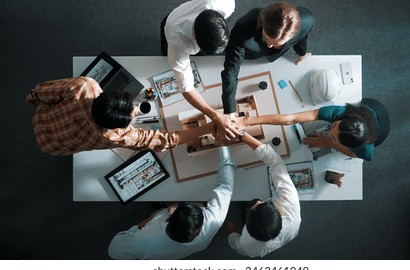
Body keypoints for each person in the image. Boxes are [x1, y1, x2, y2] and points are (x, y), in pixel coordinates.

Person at [108, 130, 236, 259]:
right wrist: (224, 145)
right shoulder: (213, 221)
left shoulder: (140, 241)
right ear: (197, 232)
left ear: (169, 218)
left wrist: (142, 225)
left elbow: (113, 251)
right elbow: (225, 186)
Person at [25, 77, 215, 156]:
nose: (135, 110)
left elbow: (40, 91)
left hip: (40, 117)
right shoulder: (111, 136)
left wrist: (31, 101)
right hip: (51, 146)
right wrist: (210, 126)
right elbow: (166, 140)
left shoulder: (84, 85)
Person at [161, 0, 238, 139]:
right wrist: (215, 115)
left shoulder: (224, 4)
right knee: (165, 54)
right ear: (196, 36)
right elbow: (186, 87)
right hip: (172, 23)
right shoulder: (177, 42)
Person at [221, 2, 315, 115]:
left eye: (276, 43)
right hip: (249, 54)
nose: (269, 46)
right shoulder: (244, 25)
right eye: (266, 38)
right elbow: (231, 69)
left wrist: (302, 53)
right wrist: (230, 111)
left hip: (271, 59)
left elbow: (302, 37)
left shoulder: (307, 21)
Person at [236, 98, 390, 161]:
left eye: (335, 137)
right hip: (374, 106)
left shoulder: (366, 149)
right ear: (344, 118)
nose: (330, 132)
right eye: (334, 126)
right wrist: (248, 120)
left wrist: (329, 143)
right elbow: (291, 118)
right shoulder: (340, 112)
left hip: (381, 131)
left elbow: (354, 154)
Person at [227, 129, 301, 258]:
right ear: (275, 211)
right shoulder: (291, 205)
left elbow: (237, 245)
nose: (257, 201)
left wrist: (232, 233)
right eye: (261, 204)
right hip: (288, 233)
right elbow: (276, 163)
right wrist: (243, 135)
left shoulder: (247, 244)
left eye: (255, 206)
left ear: (247, 226)